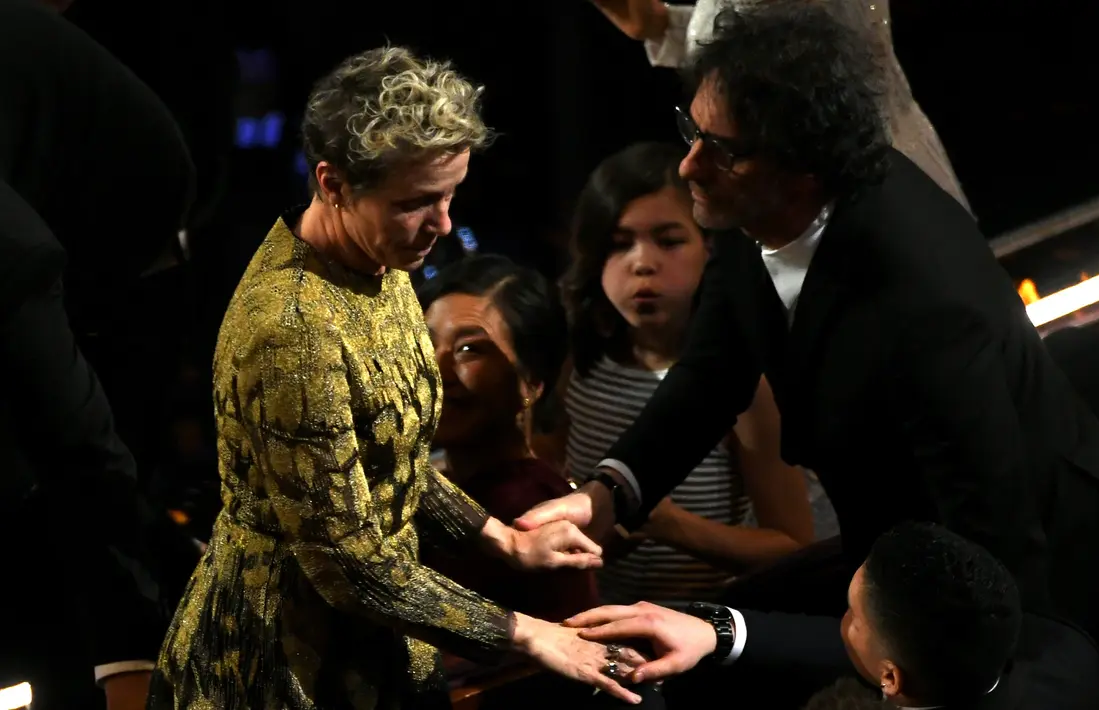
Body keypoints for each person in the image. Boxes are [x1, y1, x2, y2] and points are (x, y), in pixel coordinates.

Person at [518, 0, 1099, 648]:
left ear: (802, 172)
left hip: (1044, 581)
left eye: (720, 150)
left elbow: (991, 532)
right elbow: (711, 373)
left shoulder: (922, 300)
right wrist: (608, 495)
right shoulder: (747, 202)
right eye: (690, 131)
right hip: (904, 554)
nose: (688, 166)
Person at [146, 47, 646, 709]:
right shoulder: (294, 328)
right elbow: (348, 564)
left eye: (449, 196)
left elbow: (393, 456)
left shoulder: (376, 262)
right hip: (283, 665)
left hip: (368, 640)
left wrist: (508, 542)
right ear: (332, 184)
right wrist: (528, 633)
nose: (441, 224)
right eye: (415, 203)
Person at [0, 0, 198, 707]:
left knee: (75, 485)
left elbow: (83, 448)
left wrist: (126, 657)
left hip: (124, 229)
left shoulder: (17, 255)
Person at [558, 141, 816, 605]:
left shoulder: (742, 386)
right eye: (618, 245)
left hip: (699, 631)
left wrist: (666, 522)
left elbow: (794, 546)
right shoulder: (580, 361)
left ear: (709, 248)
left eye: (669, 240)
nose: (642, 263)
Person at [568, 523, 1099, 710]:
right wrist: (719, 631)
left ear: (891, 678)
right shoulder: (1069, 658)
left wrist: (618, 682)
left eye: (850, 616)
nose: (840, 623)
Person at [586, 0, 971, 212]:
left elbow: (763, 57)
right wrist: (663, 25)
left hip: (849, 193)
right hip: (863, 173)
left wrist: (669, 28)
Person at [418, 254, 599, 623]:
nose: (434, 371)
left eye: (469, 349)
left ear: (530, 383)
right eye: (423, 342)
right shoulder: (440, 484)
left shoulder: (531, 510)